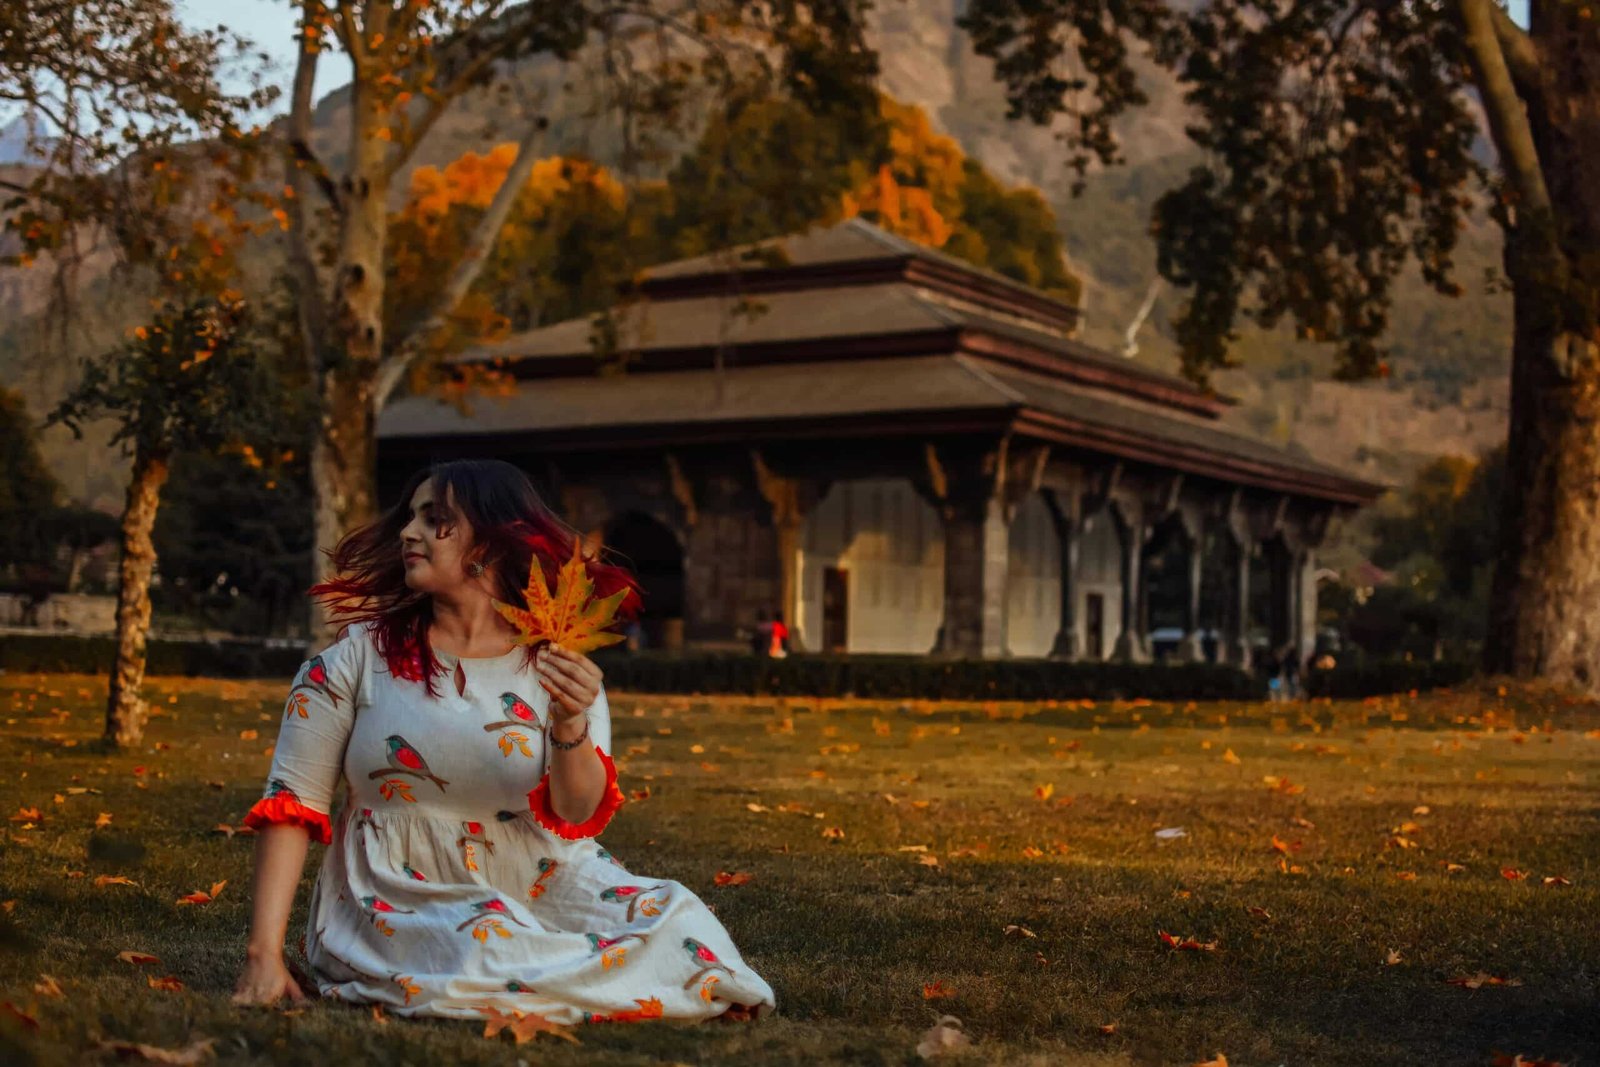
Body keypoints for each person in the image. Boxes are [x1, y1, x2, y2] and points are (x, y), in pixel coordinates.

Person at [231, 459, 775, 1024]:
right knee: (484, 941)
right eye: (411, 517)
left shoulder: (558, 665)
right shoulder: (354, 659)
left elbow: (576, 813)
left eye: (434, 519)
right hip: (400, 890)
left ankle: (577, 970)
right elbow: (292, 805)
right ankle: (601, 981)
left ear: (489, 545)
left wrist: (570, 724)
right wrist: (263, 955)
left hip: (541, 872)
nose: (407, 533)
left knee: (677, 918)